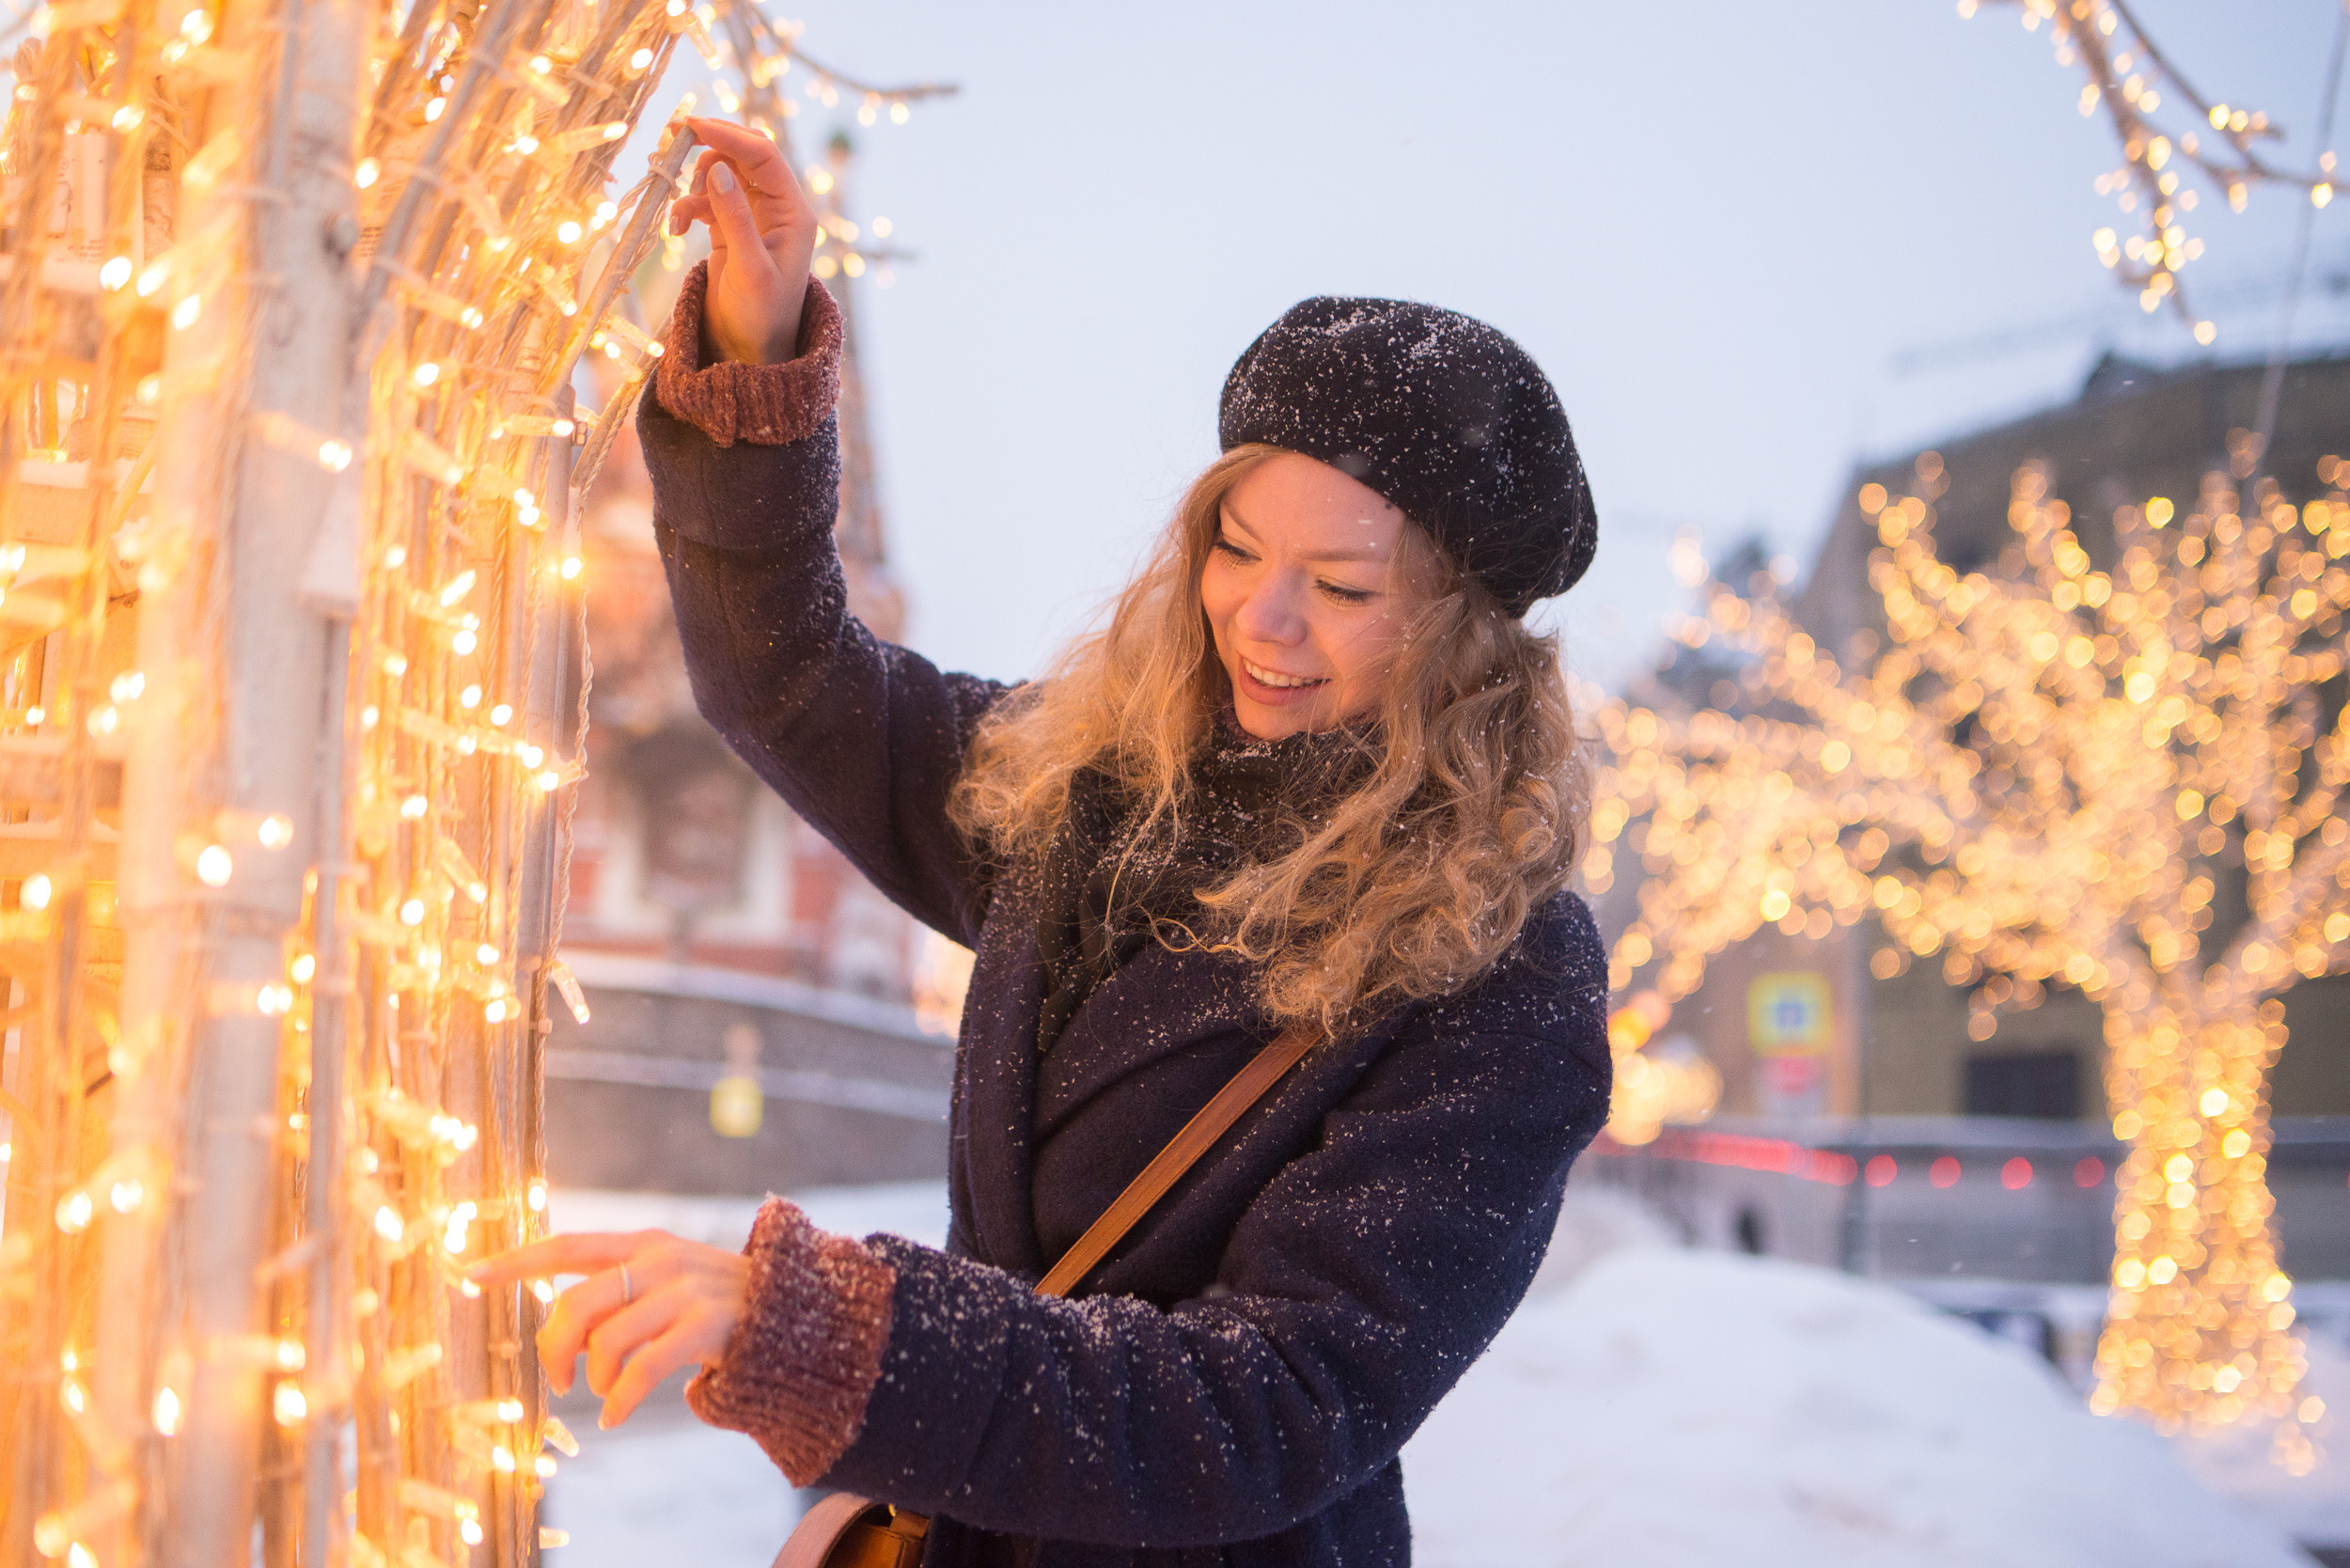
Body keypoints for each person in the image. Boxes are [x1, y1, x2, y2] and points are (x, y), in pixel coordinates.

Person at [472, 118, 1612, 1568]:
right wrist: (754, 362)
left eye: (1338, 584)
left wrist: (833, 1340)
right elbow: (796, 686)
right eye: (1238, 547)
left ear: (1459, 634)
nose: (1261, 618)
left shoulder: (1500, 968)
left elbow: (1262, 1409)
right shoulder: (1096, 791)